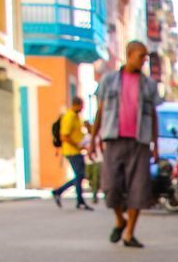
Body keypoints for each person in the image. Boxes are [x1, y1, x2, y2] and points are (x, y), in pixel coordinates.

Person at [92, 41, 162, 248]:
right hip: (114, 139)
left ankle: (129, 232)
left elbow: (154, 117)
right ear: (129, 54)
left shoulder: (149, 85)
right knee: (111, 186)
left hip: (140, 141)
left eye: (146, 58)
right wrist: (94, 138)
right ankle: (119, 220)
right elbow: (101, 111)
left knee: (138, 189)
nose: (144, 61)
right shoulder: (109, 80)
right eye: (141, 56)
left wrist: (155, 145)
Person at [51, 97, 92, 210]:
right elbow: (64, 136)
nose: (83, 108)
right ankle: (77, 199)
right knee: (80, 175)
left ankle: (62, 193)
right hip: (71, 151)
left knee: (80, 176)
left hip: (77, 151)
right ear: (77, 105)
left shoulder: (77, 117)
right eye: (82, 106)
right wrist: (78, 145)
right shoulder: (69, 117)